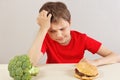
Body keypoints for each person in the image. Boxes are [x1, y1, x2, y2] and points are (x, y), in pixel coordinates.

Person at [28, 1, 120, 66]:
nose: (58, 35)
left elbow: (116, 56)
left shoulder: (82, 39)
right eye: (52, 31)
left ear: (70, 22)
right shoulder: (46, 38)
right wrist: (43, 29)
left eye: (62, 29)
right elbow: (30, 63)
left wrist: (96, 62)